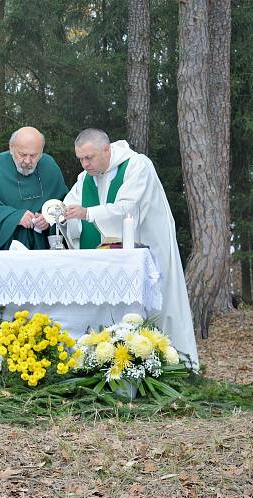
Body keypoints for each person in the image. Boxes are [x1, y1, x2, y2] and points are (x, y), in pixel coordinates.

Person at [60, 128, 199, 368]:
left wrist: (88, 213)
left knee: (157, 308)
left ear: (106, 149)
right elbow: (68, 207)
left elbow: (129, 210)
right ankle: (105, 364)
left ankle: (165, 365)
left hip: (148, 252)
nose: (84, 164)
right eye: (80, 159)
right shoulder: (85, 178)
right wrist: (56, 216)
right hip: (107, 260)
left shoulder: (137, 166)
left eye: (89, 158)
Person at [0, 127, 69, 250]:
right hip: (6, 253)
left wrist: (49, 220)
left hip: (43, 251)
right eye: (22, 154)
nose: (27, 161)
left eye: (33, 155)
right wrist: (14, 217)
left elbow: (64, 207)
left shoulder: (50, 168)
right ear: (11, 148)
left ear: (41, 152)